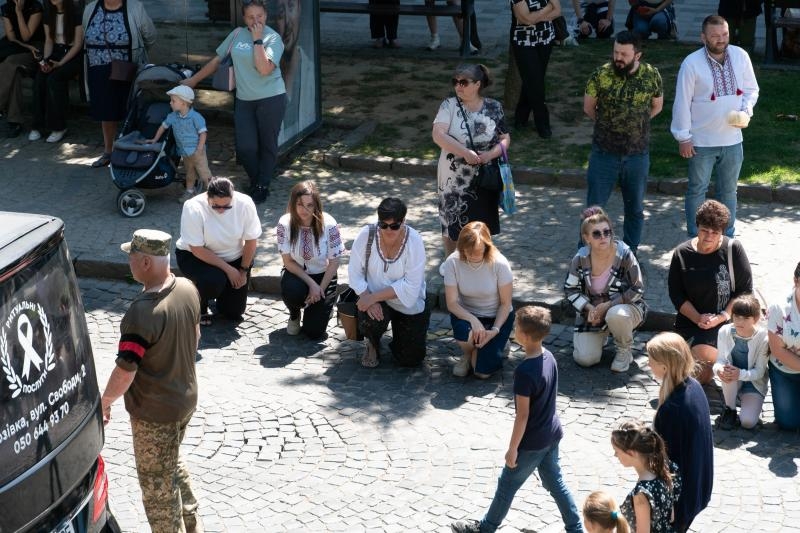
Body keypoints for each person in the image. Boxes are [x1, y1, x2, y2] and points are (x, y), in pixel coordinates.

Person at [100, 229, 202, 533]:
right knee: (171, 462)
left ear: (145, 262)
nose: (128, 263)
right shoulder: (187, 288)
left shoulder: (142, 313)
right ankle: (193, 525)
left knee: (157, 488)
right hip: (185, 400)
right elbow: (195, 337)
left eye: (130, 257)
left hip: (155, 414)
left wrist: (104, 401)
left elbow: (126, 371)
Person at [450, 306, 584, 533]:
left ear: (524, 335)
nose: (513, 330)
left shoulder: (524, 372)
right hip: (552, 434)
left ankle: (486, 529)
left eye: (516, 327)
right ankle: (576, 528)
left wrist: (513, 449)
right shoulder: (549, 357)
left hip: (532, 443)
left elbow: (522, 416)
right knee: (555, 482)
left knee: (507, 485)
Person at [184, 0, 286, 204]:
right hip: (244, 100)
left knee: (267, 144)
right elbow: (217, 60)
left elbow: (264, 69)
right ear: (244, 18)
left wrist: (258, 41)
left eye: (260, 16)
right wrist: (193, 81)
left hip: (271, 98)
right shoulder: (237, 34)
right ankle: (257, 180)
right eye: (251, 17)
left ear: (265, 15)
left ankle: (262, 185)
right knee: (246, 148)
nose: (256, 20)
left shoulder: (273, 38)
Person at [671, 15, 759, 238]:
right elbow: (682, 101)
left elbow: (751, 90)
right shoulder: (691, 63)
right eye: (715, 36)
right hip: (701, 141)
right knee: (697, 190)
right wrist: (683, 137)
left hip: (733, 140)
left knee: (729, 191)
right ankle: (695, 237)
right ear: (703, 37)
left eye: (725, 34)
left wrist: (746, 111)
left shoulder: (741, 56)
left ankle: (726, 237)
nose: (721, 40)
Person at [583, 31, 663, 254]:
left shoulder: (651, 75)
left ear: (637, 55)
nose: (618, 57)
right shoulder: (601, 75)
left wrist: (637, 123)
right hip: (604, 153)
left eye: (624, 54)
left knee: (635, 208)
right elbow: (589, 107)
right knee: (594, 209)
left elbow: (657, 105)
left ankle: (630, 253)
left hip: (637, 154)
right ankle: (586, 254)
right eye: (616, 52)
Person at [668, 199, 753, 384]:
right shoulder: (681, 254)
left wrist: (721, 316)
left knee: (699, 369)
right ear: (696, 226)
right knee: (676, 365)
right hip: (690, 320)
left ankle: (715, 365)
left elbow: (744, 291)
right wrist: (698, 317)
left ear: (722, 232)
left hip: (724, 321)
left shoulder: (732, 249)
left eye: (715, 233)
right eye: (704, 230)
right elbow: (676, 294)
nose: (708, 237)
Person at [432, 63, 511, 257]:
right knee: (451, 219)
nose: (458, 86)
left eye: (464, 82)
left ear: (477, 84)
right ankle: (450, 261)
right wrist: (465, 152)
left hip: (485, 173)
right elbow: (438, 135)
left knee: (483, 219)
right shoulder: (448, 105)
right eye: (455, 82)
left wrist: (490, 155)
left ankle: (482, 258)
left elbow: (505, 139)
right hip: (453, 175)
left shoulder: (494, 107)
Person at [348, 198, 429, 368]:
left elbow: (411, 286)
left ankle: (400, 338)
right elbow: (354, 274)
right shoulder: (366, 235)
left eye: (394, 226)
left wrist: (373, 297)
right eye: (383, 225)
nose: (388, 230)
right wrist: (367, 298)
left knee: (410, 359)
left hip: (406, 301)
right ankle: (372, 343)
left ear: (404, 222)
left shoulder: (414, 241)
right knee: (369, 322)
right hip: (374, 298)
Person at [565, 207, 646, 373]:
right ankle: (602, 333)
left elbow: (638, 289)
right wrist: (589, 309)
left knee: (615, 314)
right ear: (586, 238)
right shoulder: (580, 258)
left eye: (606, 232)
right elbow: (570, 289)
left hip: (626, 308)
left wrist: (608, 305)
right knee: (585, 359)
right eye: (596, 234)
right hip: (593, 311)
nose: (603, 237)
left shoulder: (624, 254)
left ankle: (624, 349)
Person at [647, 332, 713, 533]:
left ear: (665, 366)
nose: (648, 365)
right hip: (699, 486)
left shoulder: (671, 410)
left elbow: (670, 464)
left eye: (651, 361)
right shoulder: (693, 386)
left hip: (681, 501)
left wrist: (671, 507)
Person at [175, 177, 262, 326]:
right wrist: (228, 270)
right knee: (214, 280)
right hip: (196, 257)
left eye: (227, 206)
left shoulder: (245, 203)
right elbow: (197, 249)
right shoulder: (193, 207)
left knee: (233, 312)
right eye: (215, 206)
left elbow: (251, 241)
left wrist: (242, 270)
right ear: (207, 197)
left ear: (233, 197)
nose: (221, 210)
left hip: (234, 256)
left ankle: (220, 293)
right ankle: (198, 304)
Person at [82, 0, 155, 167]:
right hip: (98, 69)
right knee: (106, 113)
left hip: (127, 69)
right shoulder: (90, 9)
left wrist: (138, 55)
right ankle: (109, 151)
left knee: (131, 110)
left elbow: (150, 36)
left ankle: (132, 153)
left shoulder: (135, 7)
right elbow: (85, 36)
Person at [442, 221, 514, 378]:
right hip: (467, 314)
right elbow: (452, 303)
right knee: (463, 332)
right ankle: (467, 354)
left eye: (478, 252)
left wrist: (494, 330)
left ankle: (498, 342)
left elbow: (505, 303)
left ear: (487, 247)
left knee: (481, 373)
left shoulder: (500, 263)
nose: (473, 256)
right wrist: (473, 320)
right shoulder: (452, 262)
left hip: (496, 317)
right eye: (468, 251)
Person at [275, 180, 345, 340]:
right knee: (292, 291)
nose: (304, 210)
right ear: (293, 203)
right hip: (297, 273)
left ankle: (324, 306)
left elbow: (334, 263)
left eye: (309, 205)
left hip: (324, 275)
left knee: (314, 332)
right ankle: (294, 314)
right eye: (299, 204)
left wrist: (319, 288)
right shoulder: (284, 223)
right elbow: (288, 262)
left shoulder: (329, 224)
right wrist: (311, 285)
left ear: (316, 206)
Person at [142, 85, 212, 203]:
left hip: (197, 151)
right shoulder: (173, 117)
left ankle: (214, 193)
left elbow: (203, 133)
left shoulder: (195, 117)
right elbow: (163, 127)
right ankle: (190, 191)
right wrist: (154, 139)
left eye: (173, 101)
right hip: (184, 152)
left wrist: (199, 149)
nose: (170, 103)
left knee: (204, 173)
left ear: (184, 103)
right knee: (190, 173)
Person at [611, 421, 681, 533]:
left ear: (631, 453)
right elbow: (671, 516)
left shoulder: (641, 495)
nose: (615, 455)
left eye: (617, 451)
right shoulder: (665, 472)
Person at [29, 0, 83, 143]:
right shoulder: (49, 14)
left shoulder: (76, 14)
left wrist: (61, 63)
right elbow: (49, 41)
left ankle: (59, 127)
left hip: (72, 55)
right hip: (55, 52)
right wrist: (45, 61)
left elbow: (77, 45)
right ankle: (37, 126)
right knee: (40, 77)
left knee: (55, 79)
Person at [712, 293, 768, 430]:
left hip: (753, 383)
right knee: (727, 370)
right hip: (732, 379)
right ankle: (730, 409)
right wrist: (718, 369)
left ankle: (746, 401)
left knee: (748, 422)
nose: (739, 322)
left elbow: (760, 372)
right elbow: (719, 360)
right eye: (736, 316)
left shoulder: (763, 338)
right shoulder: (725, 331)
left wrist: (740, 374)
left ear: (755, 319)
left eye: (745, 318)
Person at [510, 0, 562, 138]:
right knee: (535, 81)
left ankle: (520, 118)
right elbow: (526, 19)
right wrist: (548, 8)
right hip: (523, 41)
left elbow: (557, 11)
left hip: (546, 39)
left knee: (533, 80)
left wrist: (536, 17)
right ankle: (543, 124)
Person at [0, 0, 44, 138]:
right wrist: (26, 47)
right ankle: (15, 121)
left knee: (9, 63)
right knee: (14, 72)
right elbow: (12, 38)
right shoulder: (6, 7)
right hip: (18, 48)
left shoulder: (35, 6)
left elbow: (26, 36)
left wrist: (19, 12)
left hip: (34, 51)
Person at [766, 261, 800, 431]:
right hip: (784, 370)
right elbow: (778, 351)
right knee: (789, 423)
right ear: (796, 281)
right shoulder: (779, 307)